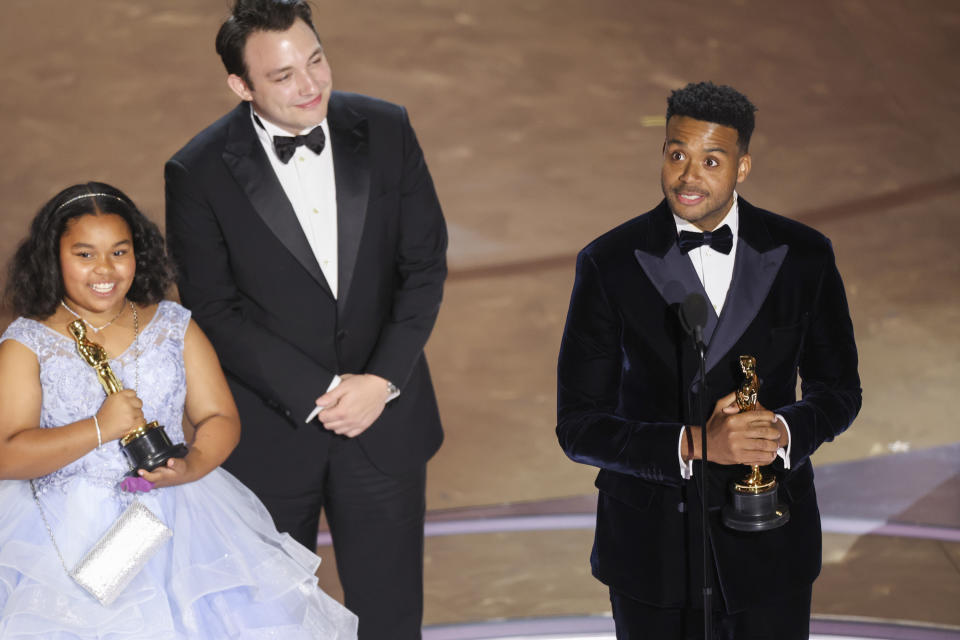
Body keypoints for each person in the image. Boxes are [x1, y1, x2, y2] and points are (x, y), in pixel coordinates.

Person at [164, 1, 447, 637]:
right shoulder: (198, 171)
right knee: (273, 623)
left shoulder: (387, 128)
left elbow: (423, 266)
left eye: (315, 60)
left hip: (384, 422)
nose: (310, 85)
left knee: (391, 617)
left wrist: (380, 381)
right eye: (283, 76)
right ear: (241, 86)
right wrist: (317, 394)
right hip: (271, 435)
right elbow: (213, 308)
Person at [556, 82, 861, 639]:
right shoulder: (608, 263)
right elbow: (578, 427)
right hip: (652, 555)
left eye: (711, 160)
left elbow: (840, 389)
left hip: (772, 544)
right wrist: (697, 443)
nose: (688, 176)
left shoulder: (805, 256)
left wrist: (781, 432)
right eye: (677, 154)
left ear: (742, 167)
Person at [0, 183, 358, 639]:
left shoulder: (172, 325)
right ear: (53, 258)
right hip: (65, 535)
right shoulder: (27, 343)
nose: (104, 269)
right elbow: (7, 455)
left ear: (139, 254)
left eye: (119, 251)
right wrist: (98, 428)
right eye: (84, 255)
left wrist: (192, 466)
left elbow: (219, 418)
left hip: (180, 522)